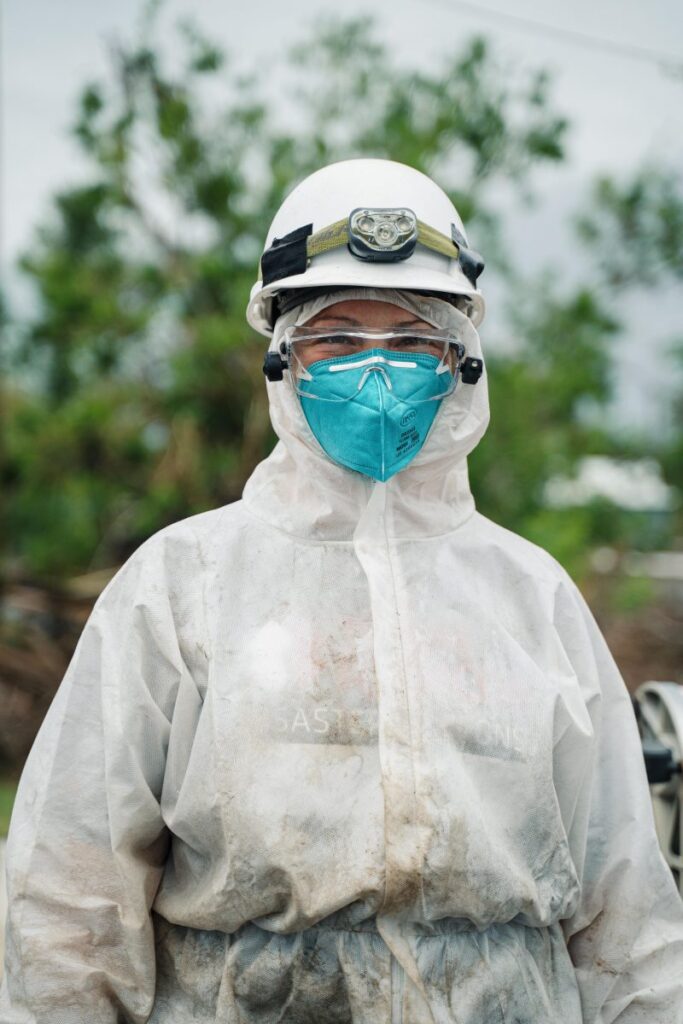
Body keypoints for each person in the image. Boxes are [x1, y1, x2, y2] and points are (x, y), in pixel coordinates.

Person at [1, 157, 682, 1024]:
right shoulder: (181, 585)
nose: (375, 370)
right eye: (339, 339)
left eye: (408, 341)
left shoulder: (531, 599)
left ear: (457, 360)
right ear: (285, 357)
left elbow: (626, 922)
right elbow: (71, 900)